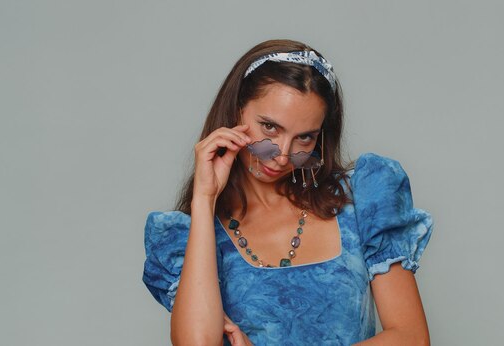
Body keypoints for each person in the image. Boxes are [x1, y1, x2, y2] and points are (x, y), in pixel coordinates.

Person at [142, 39, 434, 345]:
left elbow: (411, 338)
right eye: (269, 127)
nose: (283, 155)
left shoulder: (362, 200)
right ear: (236, 110)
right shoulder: (186, 238)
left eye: (304, 138)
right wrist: (204, 200)